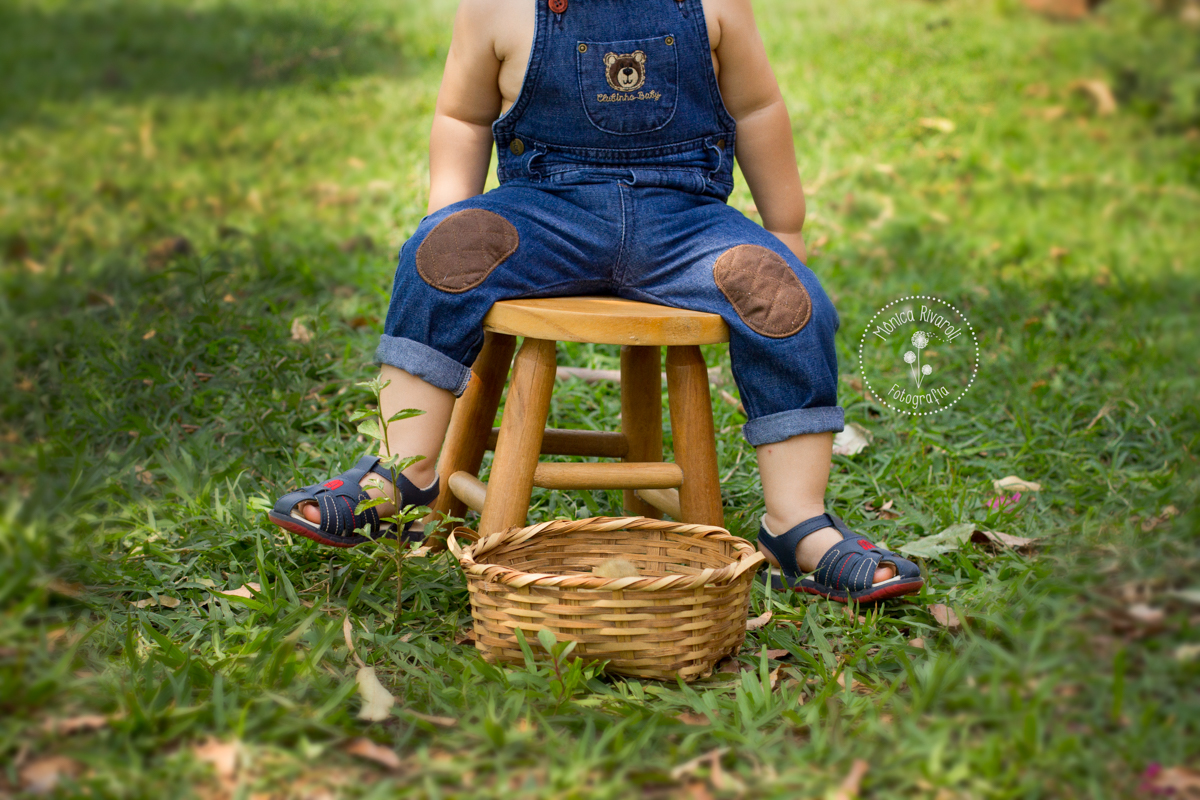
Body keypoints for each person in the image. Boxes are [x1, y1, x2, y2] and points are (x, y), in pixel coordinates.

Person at [269, 0, 923, 602]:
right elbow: (462, 117)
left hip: (686, 223)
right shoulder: (498, 6)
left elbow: (756, 109)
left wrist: (785, 232)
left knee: (786, 298)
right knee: (438, 256)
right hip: (545, 215)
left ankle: (798, 523)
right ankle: (400, 478)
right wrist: (451, 217)